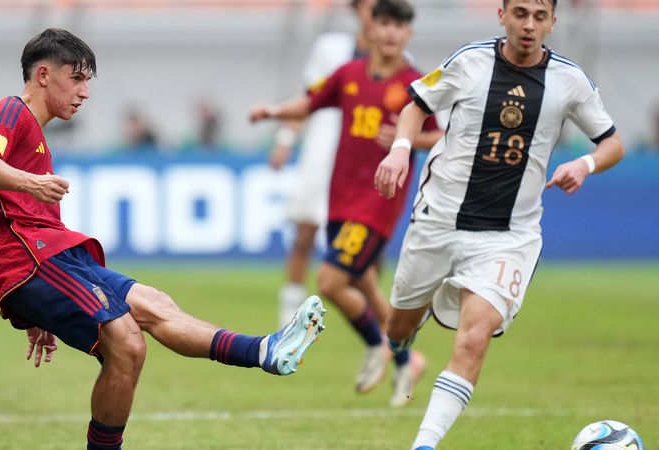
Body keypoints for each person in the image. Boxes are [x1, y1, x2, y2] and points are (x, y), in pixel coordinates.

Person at [0, 28, 326, 450]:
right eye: (76, 78)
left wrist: (39, 313)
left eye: (87, 81)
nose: (85, 92)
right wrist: (32, 183)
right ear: (43, 74)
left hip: (54, 258)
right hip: (31, 263)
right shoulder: (10, 111)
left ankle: (263, 350)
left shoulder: (34, 131)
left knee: (155, 304)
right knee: (127, 344)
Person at [373, 0, 625, 448]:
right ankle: (402, 343)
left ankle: (424, 444)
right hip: (439, 220)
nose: (529, 25)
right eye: (521, 13)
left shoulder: (569, 81)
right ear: (502, 15)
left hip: (509, 235)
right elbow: (416, 104)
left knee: (474, 338)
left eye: (539, 16)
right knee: (397, 327)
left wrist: (586, 164)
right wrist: (399, 148)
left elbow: (611, 142)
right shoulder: (468, 62)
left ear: (553, 22)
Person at [251, 0, 442, 407]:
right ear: (370, 28)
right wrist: (273, 112)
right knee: (363, 284)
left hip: (377, 203)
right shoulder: (348, 74)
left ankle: (378, 344)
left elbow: (440, 135)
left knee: (330, 282)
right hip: (340, 198)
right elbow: (311, 102)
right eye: (384, 23)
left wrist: (406, 140)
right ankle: (407, 360)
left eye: (399, 26)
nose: (390, 33)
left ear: (408, 33)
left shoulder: (417, 84)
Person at [270, 0, 375, 328]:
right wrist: (286, 140)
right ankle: (290, 312)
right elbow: (308, 99)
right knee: (304, 232)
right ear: (356, 10)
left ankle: (372, 318)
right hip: (323, 152)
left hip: (364, 164)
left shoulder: (401, 64)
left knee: (363, 246)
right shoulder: (331, 48)